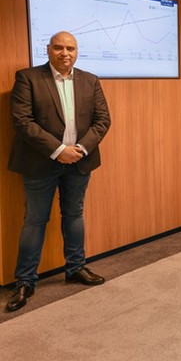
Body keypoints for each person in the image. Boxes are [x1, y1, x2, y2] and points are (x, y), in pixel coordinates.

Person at [5, 31, 111, 312]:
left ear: (77, 52)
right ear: (48, 49)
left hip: (80, 161)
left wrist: (80, 149)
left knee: (74, 214)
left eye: (71, 48)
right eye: (59, 48)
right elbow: (22, 121)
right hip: (40, 162)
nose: (65, 53)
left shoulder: (90, 80)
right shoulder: (28, 78)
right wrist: (58, 150)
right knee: (35, 220)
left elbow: (102, 120)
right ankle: (25, 281)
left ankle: (75, 268)